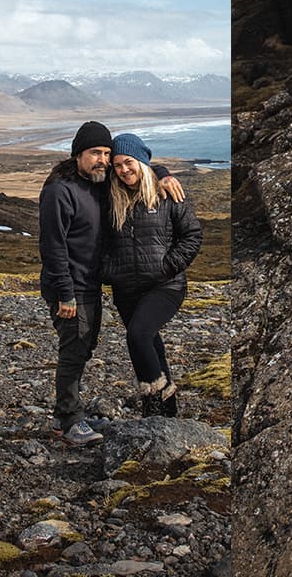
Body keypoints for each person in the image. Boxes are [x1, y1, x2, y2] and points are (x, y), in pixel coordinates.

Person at [38, 121, 182, 446]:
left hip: (89, 284)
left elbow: (136, 166)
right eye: (95, 153)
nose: (102, 159)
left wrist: (161, 171)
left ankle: (70, 414)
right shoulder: (60, 190)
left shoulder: (97, 182)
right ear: (78, 154)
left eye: (106, 153)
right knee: (74, 349)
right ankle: (69, 421)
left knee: (85, 346)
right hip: (71, 287)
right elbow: (52, 245)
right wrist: (65, 293)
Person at [105, 132, 202, 418]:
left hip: (165, 285)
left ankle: (155, 394)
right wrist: (108, 271)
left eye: (128, 162)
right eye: (118, 166)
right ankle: (163, 410)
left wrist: (168, 266)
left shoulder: (167, 194)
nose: (123, 170)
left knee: (138, 335)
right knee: (149, 342)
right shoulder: (110, 198)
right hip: (126, 288)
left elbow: (192, 236)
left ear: (142, 161)